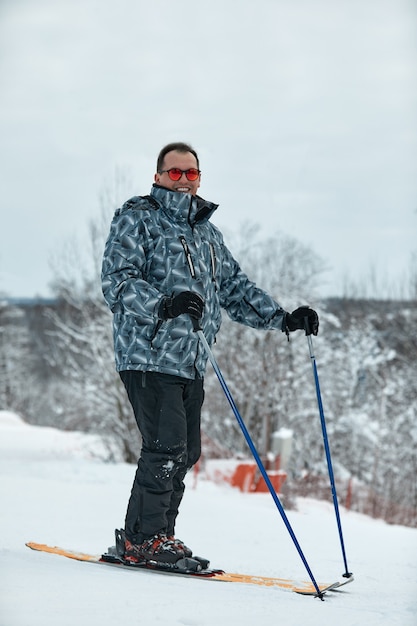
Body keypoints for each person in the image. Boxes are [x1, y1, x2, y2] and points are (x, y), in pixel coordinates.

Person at [101, 141, 319, 565]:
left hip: (192, 358)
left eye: (191, 173)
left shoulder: (207, 233)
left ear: (199, 177)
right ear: (158, 176)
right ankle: (142, 540)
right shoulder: (138, 220)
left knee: (185, 451)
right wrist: (165, 303)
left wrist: (284, 318)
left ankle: (157, 536)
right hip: (148, 353)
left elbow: (235, 289)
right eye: (175, 172)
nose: (184, 180)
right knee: (165, 446)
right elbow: (118, 282)